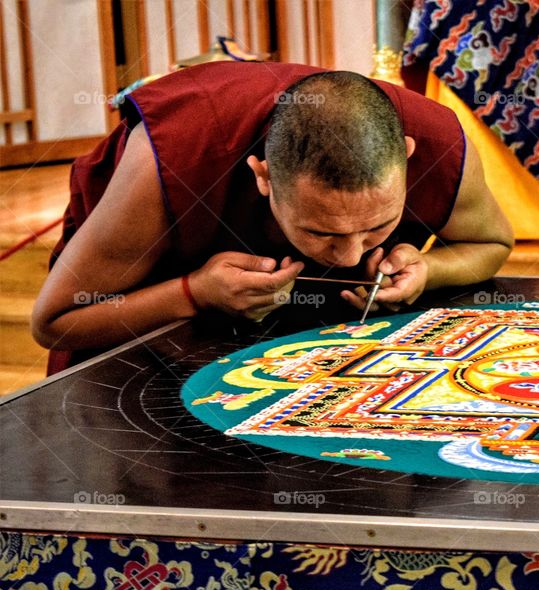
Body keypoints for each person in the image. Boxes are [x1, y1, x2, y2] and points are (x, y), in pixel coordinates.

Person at [31, 62, 513, 373]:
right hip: (164, 354)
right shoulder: (175, 155)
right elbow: (57, 322)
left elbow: (491, 244)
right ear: (261, 175)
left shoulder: (440, 143)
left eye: (376, 228)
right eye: (320, 231)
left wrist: (429, 270)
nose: (350, 256)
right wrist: (194, 292)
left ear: (408, 159)